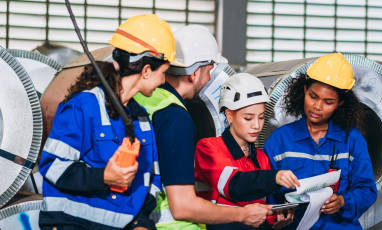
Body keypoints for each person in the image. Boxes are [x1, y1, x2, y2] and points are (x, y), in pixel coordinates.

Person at [38, 14, 174, 230]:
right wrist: (104, 177)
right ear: (146, 71)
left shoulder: (141, 120)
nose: (164, 81)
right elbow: (52, 166)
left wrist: (142, 223)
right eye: (164, 73)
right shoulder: (85, 105)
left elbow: (152, 180)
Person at [133, 25, 271, 229]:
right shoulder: (175, 117)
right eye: (209, 71)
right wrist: (242, 214)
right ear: (195, 73)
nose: (208, 79)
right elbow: (182, 207)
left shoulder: (142, 97)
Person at [264, 53, 378, 229]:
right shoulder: (279, 141)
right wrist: (277, 216)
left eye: (328, 102)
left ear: (340, 103)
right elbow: (267, 194)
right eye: (313, 96)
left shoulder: (351, 140)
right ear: (304, 91)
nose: (317, 106)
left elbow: (367, 190)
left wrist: (342, 201)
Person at [193, 73, 301, 230]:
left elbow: (259, 210)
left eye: (262, 117)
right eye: (248, 118)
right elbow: (234, 185)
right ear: (229, 115)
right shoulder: (208, 148)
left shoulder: (261, 158)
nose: (257, 125)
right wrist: (274, 177)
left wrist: (276, 219)